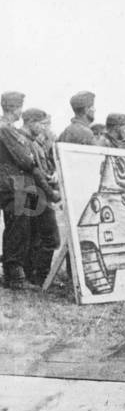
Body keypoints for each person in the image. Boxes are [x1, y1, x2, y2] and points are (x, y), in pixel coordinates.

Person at [0, 105, 53, 289]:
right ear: (12, 107)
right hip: (15, 184)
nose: (20, 112)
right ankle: (15, 277)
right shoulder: (5, 128)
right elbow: (25, 160)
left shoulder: (10, 129)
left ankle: (16, 274)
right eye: (18, 107)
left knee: (21, 229)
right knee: (18, 229)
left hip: (20, 184)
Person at [21, 109, 61, 287]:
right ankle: (41, 276)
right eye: (43, 124)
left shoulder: (36, 144)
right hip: (36, 193)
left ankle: (36, 275)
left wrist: (49, 175)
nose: (46, 128)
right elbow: (34, 171)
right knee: (51, 238)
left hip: (36, 192)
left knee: (37, 237)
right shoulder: (29, 143)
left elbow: (41, 168)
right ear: (32, 122)